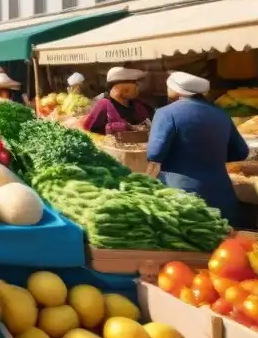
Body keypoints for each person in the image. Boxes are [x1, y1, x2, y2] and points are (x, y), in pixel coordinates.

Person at [147, 71, 249, 226]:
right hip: (221, 195)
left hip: (181, 196)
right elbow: (241, 152)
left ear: (176, 90)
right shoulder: (221, 115)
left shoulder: (166, 113)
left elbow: (155, 153)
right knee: (223, 245)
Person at [83, 67, 153, 133]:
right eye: (134, 83)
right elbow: (88, 130)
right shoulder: (104, 104)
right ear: (120, 87)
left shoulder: (138, 106)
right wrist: (122, 127)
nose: (138, 88)